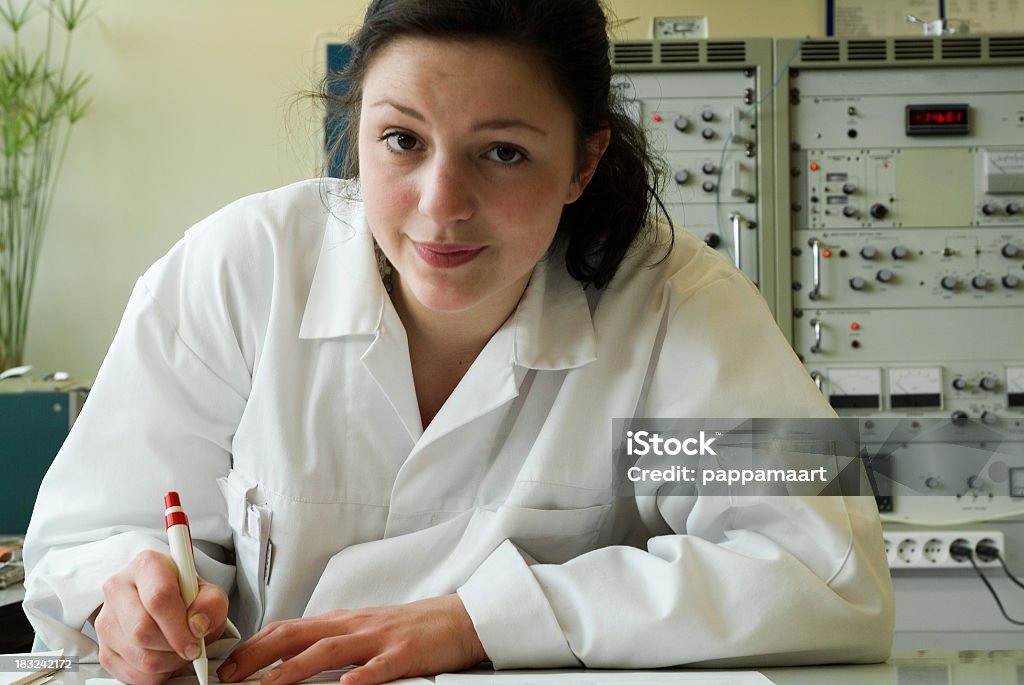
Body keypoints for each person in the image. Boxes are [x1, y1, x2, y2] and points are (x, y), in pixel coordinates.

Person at [23, 1, 895, 684]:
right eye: (402, 141)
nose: (442, 205)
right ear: (356, 129)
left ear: (583, 166)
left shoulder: (672, 305)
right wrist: (128, 606)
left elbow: (824, 566)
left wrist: (480, 620)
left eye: (504, 153)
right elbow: (92, 532)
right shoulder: (242, 272)